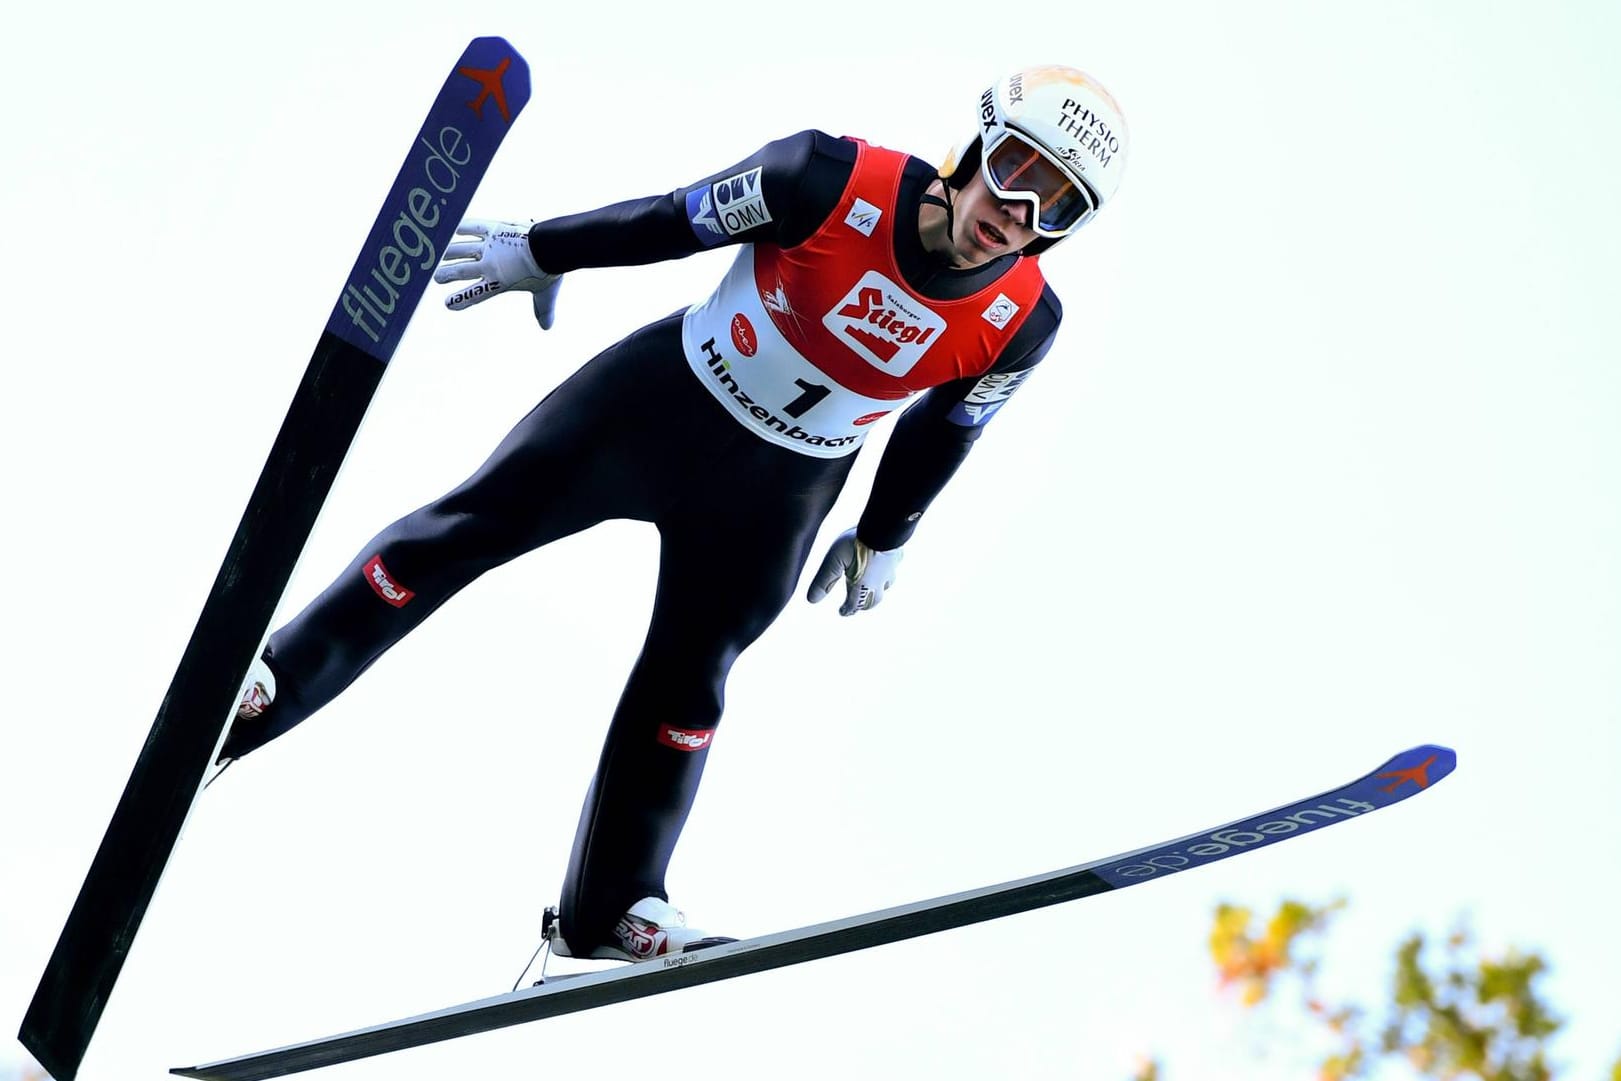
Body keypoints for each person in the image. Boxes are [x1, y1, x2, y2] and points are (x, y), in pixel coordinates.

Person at [219, 64, 1129, 962]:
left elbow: (946, 428)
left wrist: (888, 532)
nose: (1018, 215)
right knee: (472, 526)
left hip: (779, 495)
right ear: (974, 146)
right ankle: (268, 687)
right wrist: (542, 247)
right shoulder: (820, 176)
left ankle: (610, 910)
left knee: (692, 684)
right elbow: (673, 217)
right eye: (1016, 174)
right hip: (655, 406)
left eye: (1057, 208)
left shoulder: (1025, 323)